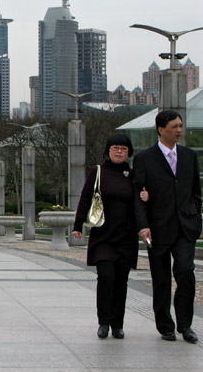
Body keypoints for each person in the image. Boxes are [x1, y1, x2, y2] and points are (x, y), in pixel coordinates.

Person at [133, 110, 202, 344]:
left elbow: (196, 193)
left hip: (185, 227)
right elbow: (138, 195)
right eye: (175, 126)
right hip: (158, 228)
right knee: (161, 279)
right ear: (161, 129)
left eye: (181, 126)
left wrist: (196, 218)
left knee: (185, 272)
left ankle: (186, 325)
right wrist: (143, 226)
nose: (180, 130)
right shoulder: (144, 158)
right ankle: (165, 326)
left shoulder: (190, 156)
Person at [72, 134, 147, 340]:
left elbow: (140, 204)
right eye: (115, 147)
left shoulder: (133, 176)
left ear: (129, 152)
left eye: (124, 148)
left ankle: (118, 324)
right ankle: (103, 322)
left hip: (126, 236)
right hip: (103, 236)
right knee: (106, 277)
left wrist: (146, 197)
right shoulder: (98, 172)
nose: (119, 151)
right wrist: (77, 225)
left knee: (121, 281)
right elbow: (85, 198)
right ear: (108, 150)